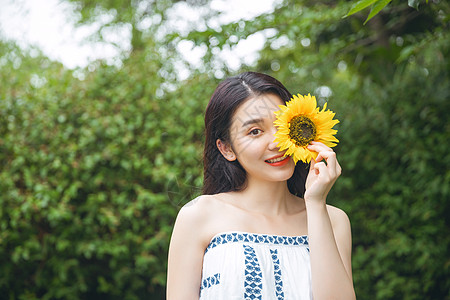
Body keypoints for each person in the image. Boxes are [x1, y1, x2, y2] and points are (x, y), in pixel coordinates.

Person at [166, 72, 355, 300]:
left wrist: (315, 204)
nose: (277, 142)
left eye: (281, 125)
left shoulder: (333, 220)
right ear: (227, 149)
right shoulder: (198, 216)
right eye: (255, 131)